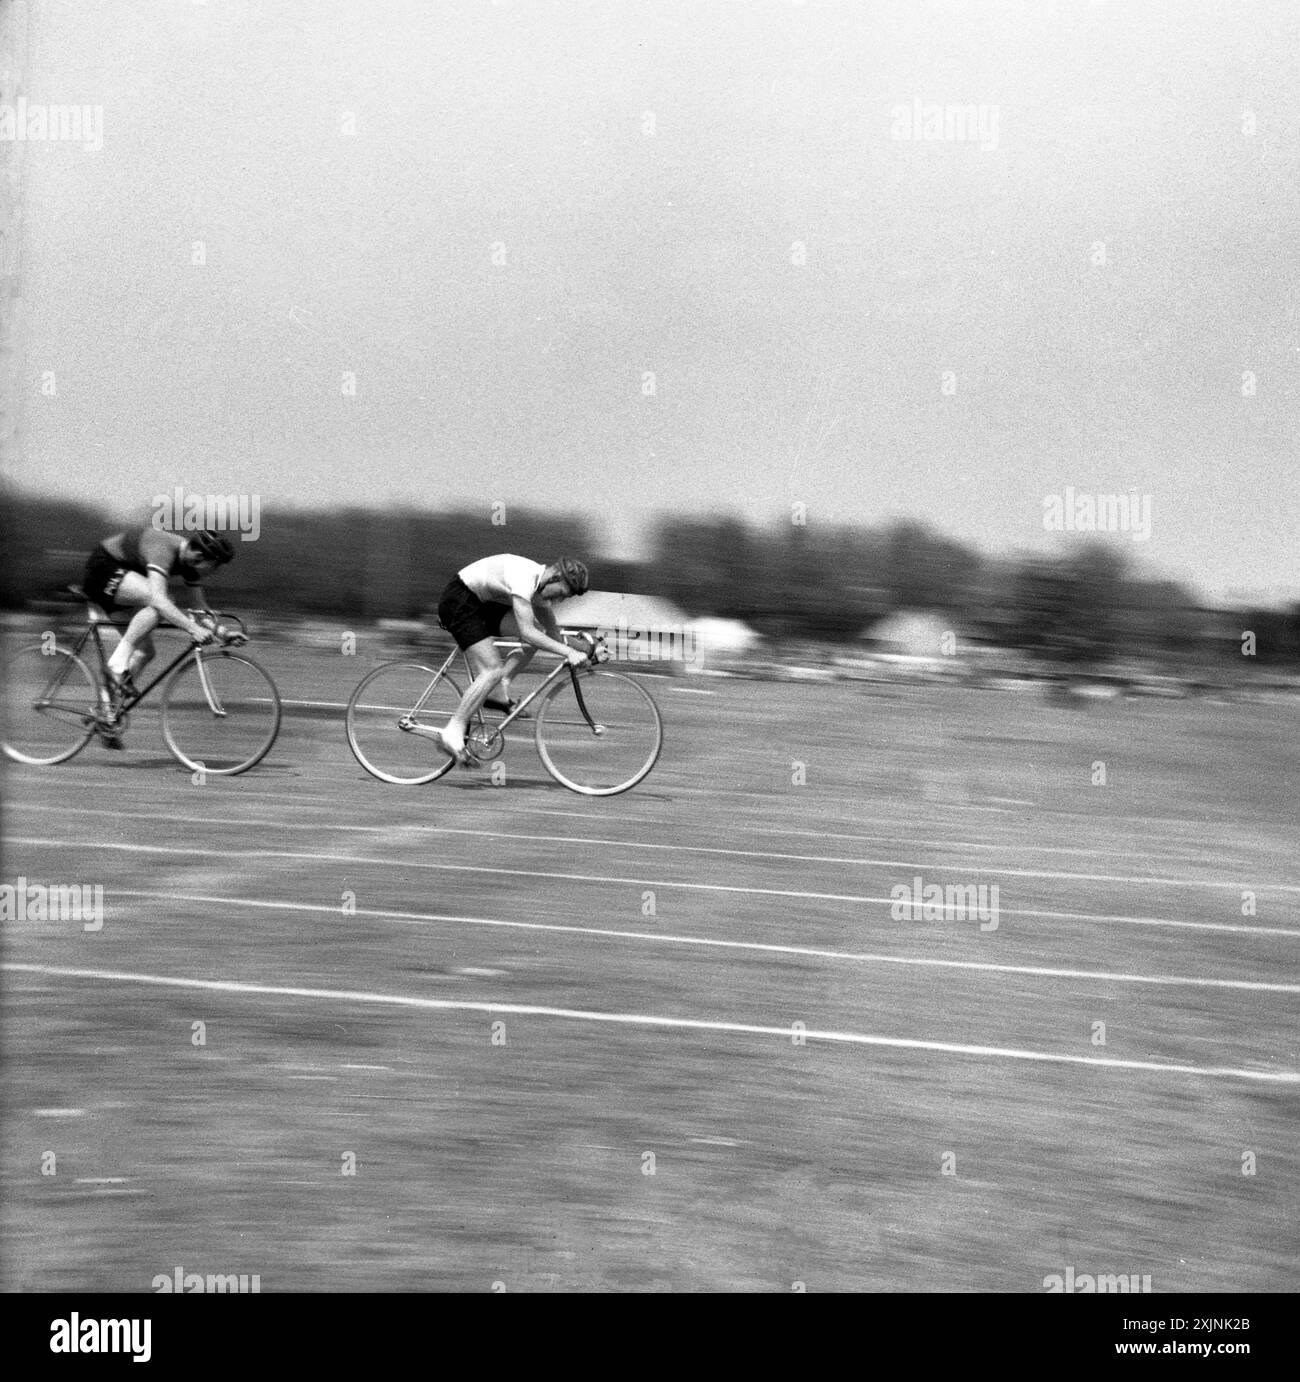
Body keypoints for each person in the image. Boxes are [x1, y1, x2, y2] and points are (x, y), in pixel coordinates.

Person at [82, 526, 236, 743]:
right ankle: (117, 664)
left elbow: (200, 610)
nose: (215, 572)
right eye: (215, 566)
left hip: (123, 578)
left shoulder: (190, 563)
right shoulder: (164, 548)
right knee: (162, 602)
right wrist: (192, 629)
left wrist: (224, 633)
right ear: (201, 556)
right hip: (103, 569)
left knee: (145, 653)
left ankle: (106, 712)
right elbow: (159, 601)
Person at [433, 554, 590, 764]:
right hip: (459, 600)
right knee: (492, 670)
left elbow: (552, 633)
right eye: (562, 593)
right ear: (555, 577)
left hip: (480, 604)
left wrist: (587, 649)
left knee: (538, 635)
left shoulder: (540, 590)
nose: (559, 600)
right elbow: (527, 632)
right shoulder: (525, 577)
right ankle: (452, 732)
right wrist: (569, 653)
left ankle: (499, 691)